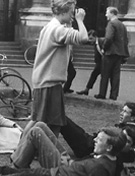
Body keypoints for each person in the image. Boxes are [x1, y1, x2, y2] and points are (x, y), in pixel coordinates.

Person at [30, 0, 88, 136]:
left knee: (48, 122)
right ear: (63, 11)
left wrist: (71, 21)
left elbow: (69, 32)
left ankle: (34, 151)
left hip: (46, 81)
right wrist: (80, 20)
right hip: (49, 82)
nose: (74, 14)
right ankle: (24, 151)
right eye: (72, 11)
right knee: (45, 123)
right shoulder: (57, 30)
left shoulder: (51, 26)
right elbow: (83, 38)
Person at [60, 102, 135, 159]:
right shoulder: (128, 129)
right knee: (62, 120)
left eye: (125, 112)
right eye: (122, 110)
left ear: (133, 118)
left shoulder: (130, 132)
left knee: (62, 120)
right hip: (90, 142)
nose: (121, 113)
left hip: (88, 146)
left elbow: (123, 150)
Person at [94, 6, 129, 101]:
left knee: (105, 74)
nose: (106, 15)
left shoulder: (111, 24)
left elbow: (109, 38)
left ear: (112, 13)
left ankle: (102, 94)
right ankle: (113, 95)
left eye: (107, 12)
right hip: (119, 53)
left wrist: (104, 48)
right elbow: (126, 40)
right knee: (115, 75)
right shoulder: (122, 25)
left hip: (110, 53)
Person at [77, 30, 104, 95]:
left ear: (95, 37)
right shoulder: (95, 43)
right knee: (94, 75)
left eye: (91, 38)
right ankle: (87, 90)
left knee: (103, 77)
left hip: (104, 62)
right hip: (100, 62)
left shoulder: (101, 41)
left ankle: (102, 93)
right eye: (89, 39)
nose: (90, 41)